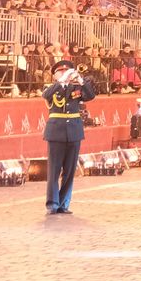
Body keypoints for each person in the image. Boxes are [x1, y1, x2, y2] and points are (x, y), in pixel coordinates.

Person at [42, 60, 96, 215]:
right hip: (56, 132)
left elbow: (90, 96)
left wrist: (81, 81)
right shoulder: (51, 88)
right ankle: (52, 203)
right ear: (55, 75)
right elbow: (46, 95)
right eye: (61, 71)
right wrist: (61, 81)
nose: (64, 73)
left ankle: (64, 203)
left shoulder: (77, 88)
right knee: (54, 170)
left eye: (67, 71)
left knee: (70, 171)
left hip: (74, 131)